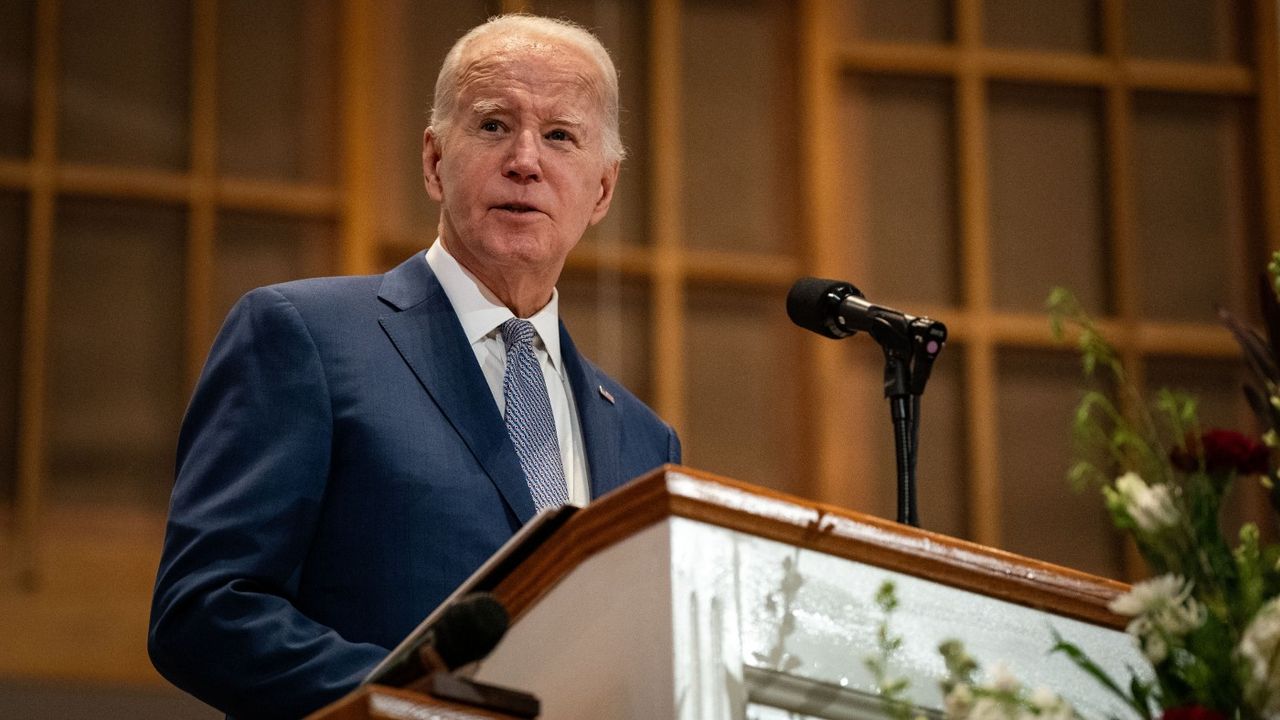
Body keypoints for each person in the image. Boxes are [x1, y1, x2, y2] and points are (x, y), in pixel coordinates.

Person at [147, 14, 680, 719]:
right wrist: (418, 703)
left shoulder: (647, 443)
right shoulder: (304, 335)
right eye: (493, 125)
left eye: (560, 135)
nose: (526, 159)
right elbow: (204, 608)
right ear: (434, 161)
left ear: (603, 190)